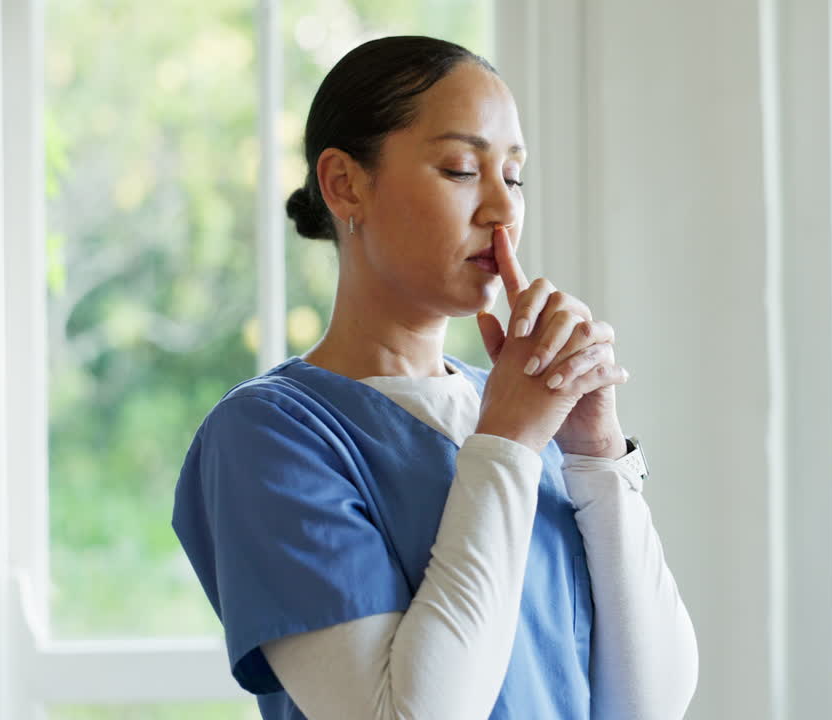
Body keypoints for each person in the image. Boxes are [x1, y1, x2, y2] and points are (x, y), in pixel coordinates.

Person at [172, 35, 698, 720]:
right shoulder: (270, 437)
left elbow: (651, 703)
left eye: (513, 177)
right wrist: (508, 442)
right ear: (344, 183)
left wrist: (598, 457)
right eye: (459, 169)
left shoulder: (522, 408)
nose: (504, 210)